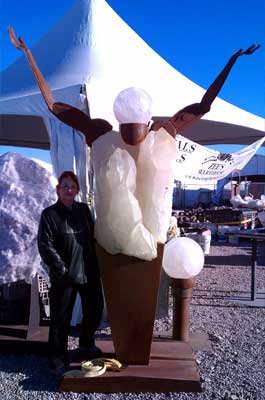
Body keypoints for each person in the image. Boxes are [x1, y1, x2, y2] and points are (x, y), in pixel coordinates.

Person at [37, 171, 104, 376]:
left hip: (88, 271)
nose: (69, 189)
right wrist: (61, 269)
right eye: (65, 186)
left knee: (94, 309)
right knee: (61, 318)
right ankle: (57, 357)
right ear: (58, 189)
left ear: (77, 190)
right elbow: (45, 245)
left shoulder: (84, 210)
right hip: (65, 276)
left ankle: (86, 344)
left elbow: (94, 236)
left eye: (72, 186)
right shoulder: (49, 214)